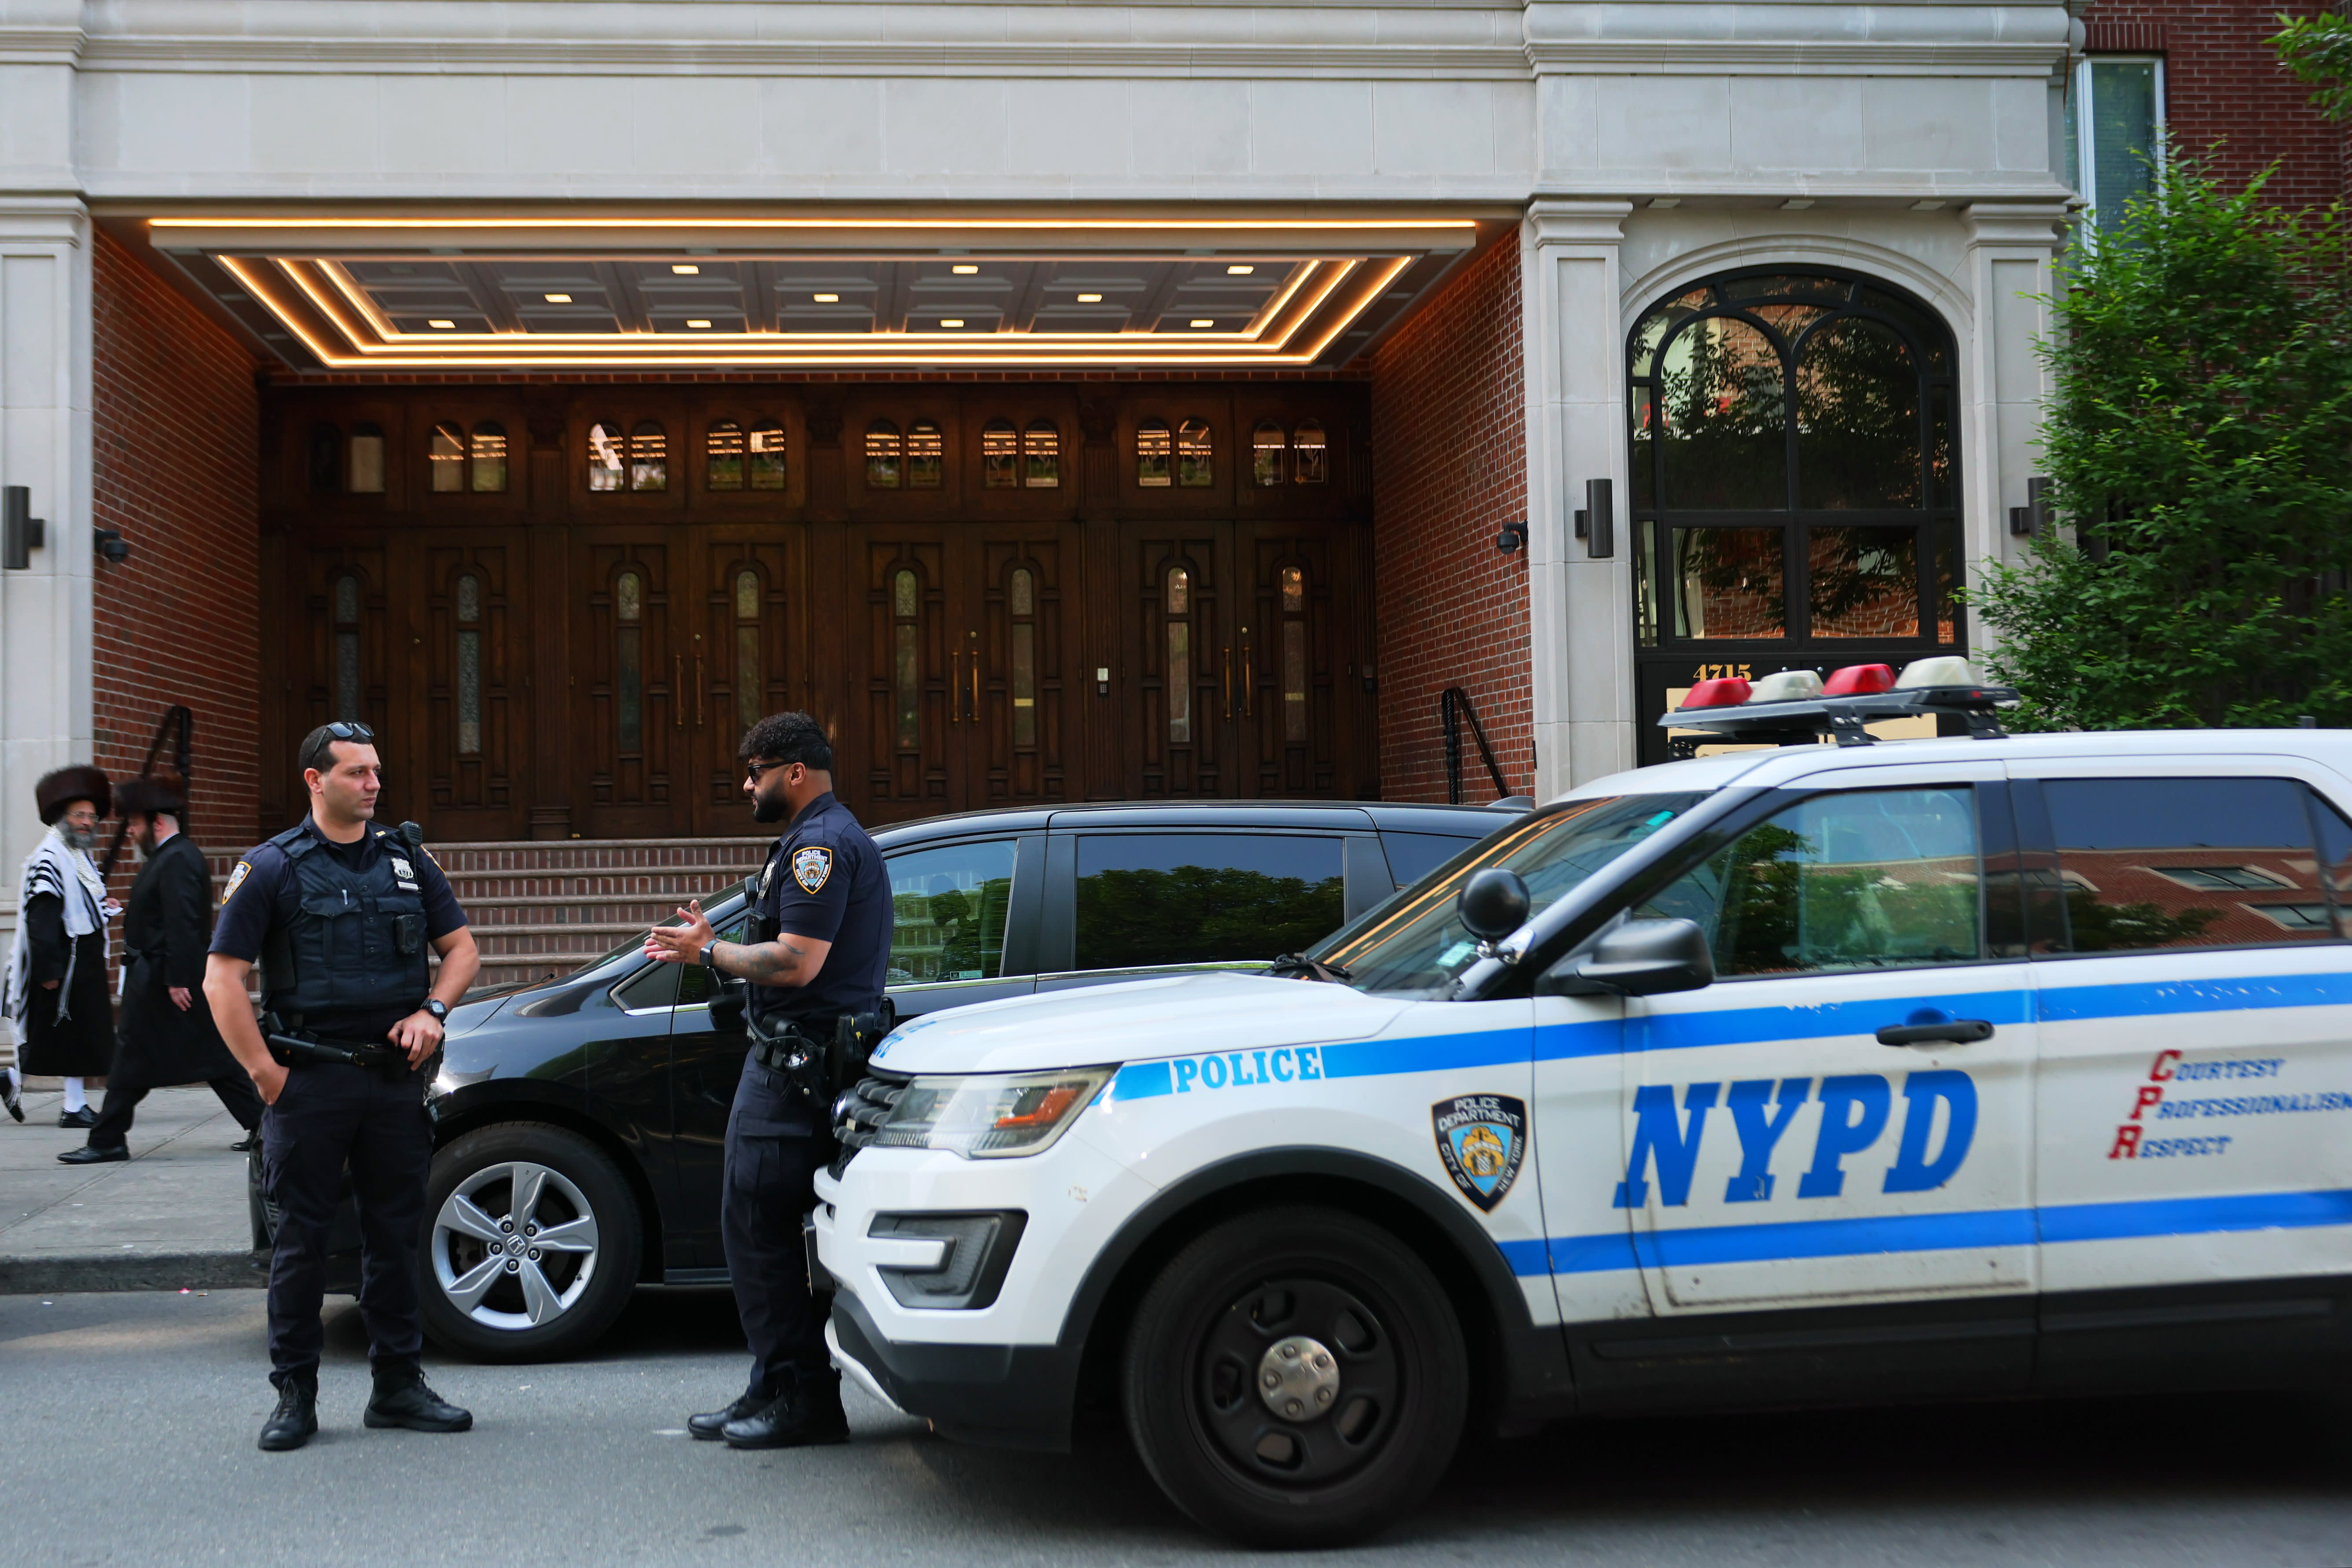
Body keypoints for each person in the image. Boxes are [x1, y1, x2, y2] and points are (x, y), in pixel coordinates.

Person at [202, 722, 481, 1453]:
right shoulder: (272, 867)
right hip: (310, 1081)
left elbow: (461, 948)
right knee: (301, 1242)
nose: (373, 783)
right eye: (357, 772)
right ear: (315, 781)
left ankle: (398, 1385)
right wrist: (265, 1074)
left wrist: (434, 1010)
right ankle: (295, 1394)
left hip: (392, 1081)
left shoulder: (406, 860)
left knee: (395, 1236)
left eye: (377, 771)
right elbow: (221, 977)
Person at [645, 711, 890, 1450]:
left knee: (760, 1231)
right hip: (793, 1059)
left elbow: (797, 961)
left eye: (754, 772)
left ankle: (803, 1397)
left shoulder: (819, 845)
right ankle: (774, 1381)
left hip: (796, 1069)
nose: (746, 785)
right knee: (757, 1231)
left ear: (793, 771)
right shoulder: (816, 838)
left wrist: (709, 949)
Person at [61, 772, 263, 1165]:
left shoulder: (177, 859)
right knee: (208, 1059)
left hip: (162, 980)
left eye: (135, 824)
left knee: (147, 1059)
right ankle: (264, 1126)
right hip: (157, 977)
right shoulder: (171, 857)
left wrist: (177, 979)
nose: (132, 832)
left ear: (157, 823)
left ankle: (107, 1140)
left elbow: (184, 923)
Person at [4, 767, 121, 1128]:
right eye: (79, 815)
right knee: (69, 1037)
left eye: (91, 816)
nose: (87, 822)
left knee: (72, 1038)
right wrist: (48, 971)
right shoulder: (49, 857)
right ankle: (73, 1107)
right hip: (63, 965)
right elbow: (41, 916)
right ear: (62, 817)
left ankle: (17, 1082)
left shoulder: (78, 856)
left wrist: (105, 908)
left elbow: (84, 905)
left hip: (82, 961)